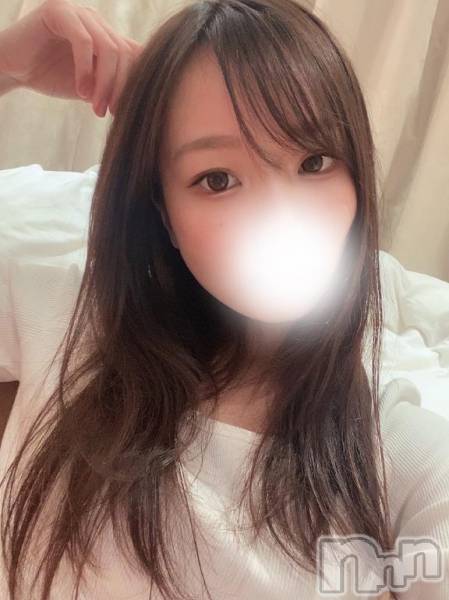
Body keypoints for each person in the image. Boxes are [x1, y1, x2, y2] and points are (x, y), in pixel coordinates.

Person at [0, 1, 448, 599]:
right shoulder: (57, 312)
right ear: (163, 212)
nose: (280, 215)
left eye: (314, 161)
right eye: (217, 179)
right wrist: (6, 65)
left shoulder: (400, 454)